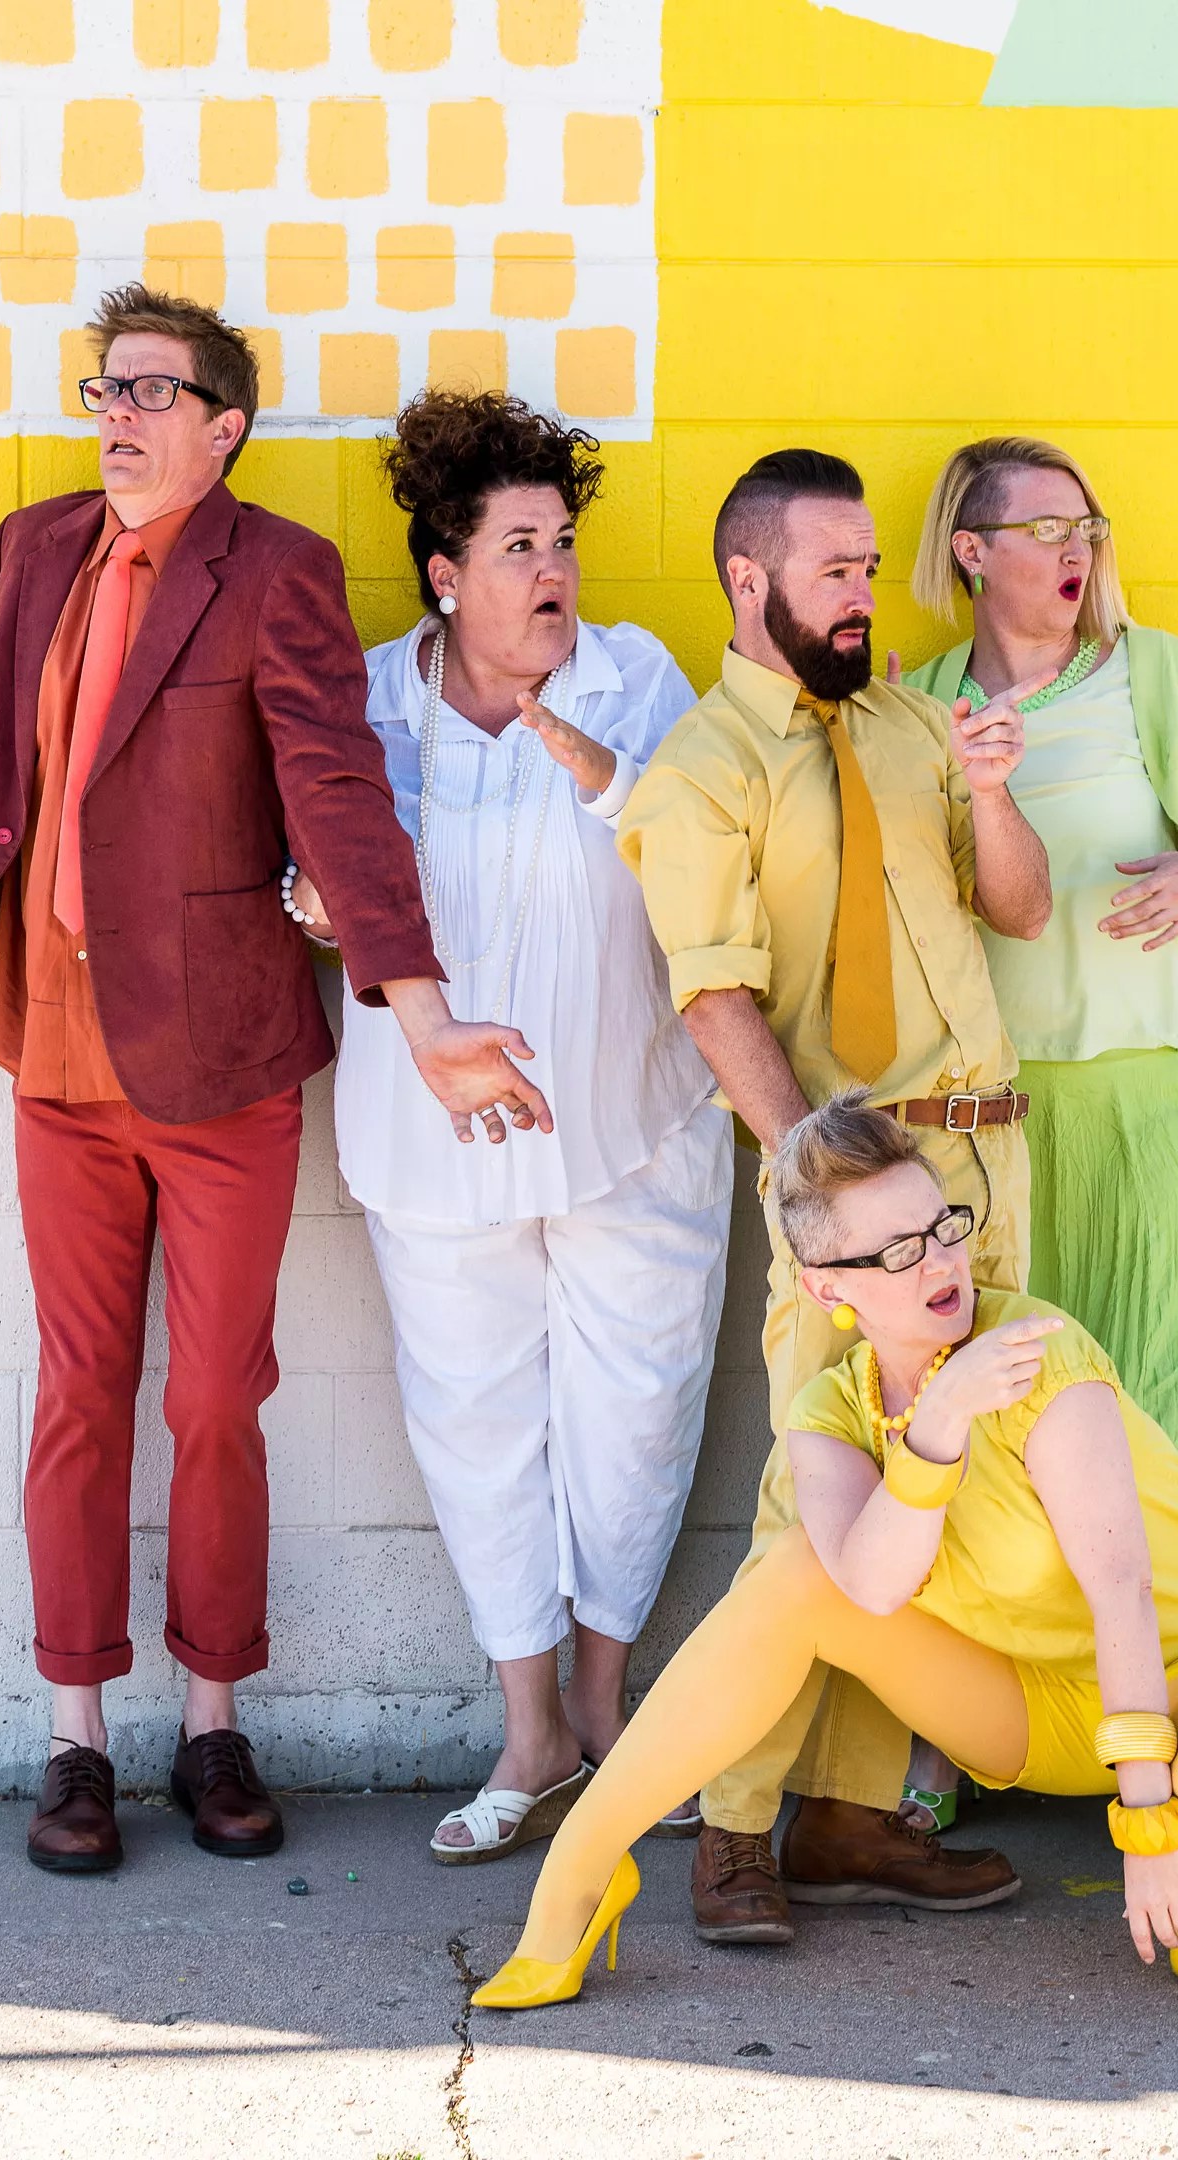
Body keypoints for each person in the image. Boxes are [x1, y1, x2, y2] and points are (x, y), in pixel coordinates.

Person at [0, 285, 554, 1876]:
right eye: (104, 385)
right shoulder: (35, 554)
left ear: (225, 426)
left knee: (217, 1399)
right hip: (54, 1055)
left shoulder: (277, 571)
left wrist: (420, 1014)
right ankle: (75, 1737)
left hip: (220, 1067)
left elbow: (339, 802)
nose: (117, 410)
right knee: (78, 1396)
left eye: (153, 390)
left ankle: (212, 1720)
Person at [469, 1092, 1178, 2012]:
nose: (942, 1263)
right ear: (827, 1288)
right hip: (1039, 1711)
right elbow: (873, 1587)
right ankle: (579, 1874)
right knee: (800, 1571)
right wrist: (940, 1424)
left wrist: (1155, 1827)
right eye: (895, 1251)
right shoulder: (832, 1415)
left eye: (942, 1228)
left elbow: (1122, 1589)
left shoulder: (1039, 1355)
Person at [614, 449, 1051, 1943]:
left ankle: (858, 1817)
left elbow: (1020, 907)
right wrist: (830, 1201)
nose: (865, 596)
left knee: (945, 1497)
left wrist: (994, 797)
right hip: (849, 1188)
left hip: (986, 1161)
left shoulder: (916, 725)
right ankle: (733, 1825)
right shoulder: (700, 776)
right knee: (818, 1503)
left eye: (870, 569)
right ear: (750, 581)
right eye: (835, 573)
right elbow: (716, 1000)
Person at [286, 391, 727, 1865]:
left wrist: (589, 761)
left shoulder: (633, 678)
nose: (554, 572)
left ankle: (607, 1710)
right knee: (476, 1429)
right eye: (520, 544)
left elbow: (698, 850)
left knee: (637, 1412)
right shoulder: (368, 701)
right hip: (438, 1140)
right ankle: (528, 1728)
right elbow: (314, 868)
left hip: (632, 1117)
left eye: (565, 543)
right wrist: (313, 903)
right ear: (445, 575)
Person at [899, 436, 1178, 1736]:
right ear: (972, 551)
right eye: (1044, 527)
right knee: (1012, 1426)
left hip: (1159, 1103)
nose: (1077, 549)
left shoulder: (1161, 681)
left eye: (1087, 524)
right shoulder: (925, 701)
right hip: (1002, 1126)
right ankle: (997, 1727)